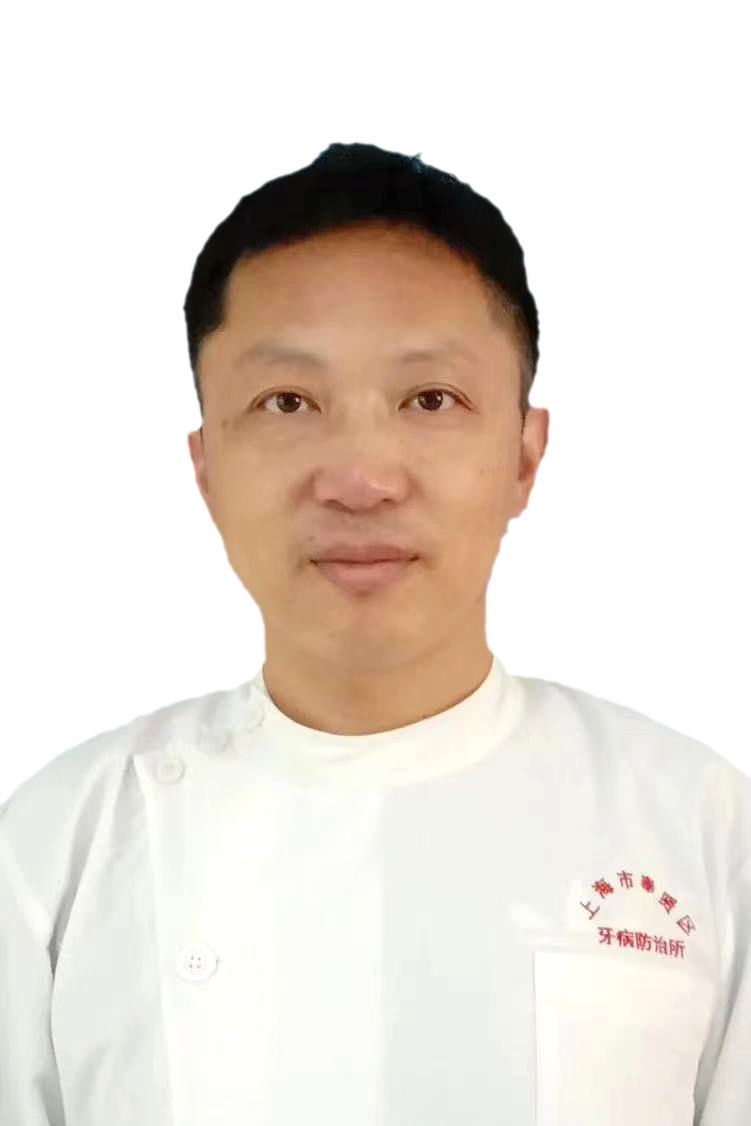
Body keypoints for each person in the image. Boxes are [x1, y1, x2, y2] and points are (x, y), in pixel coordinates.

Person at [1, 142, 748, 1126]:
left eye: (430, 399)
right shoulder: (59, 845)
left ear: (524, 456)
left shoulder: (701, 828)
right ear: (205, 465)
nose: (360, 479)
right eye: (287, 401)